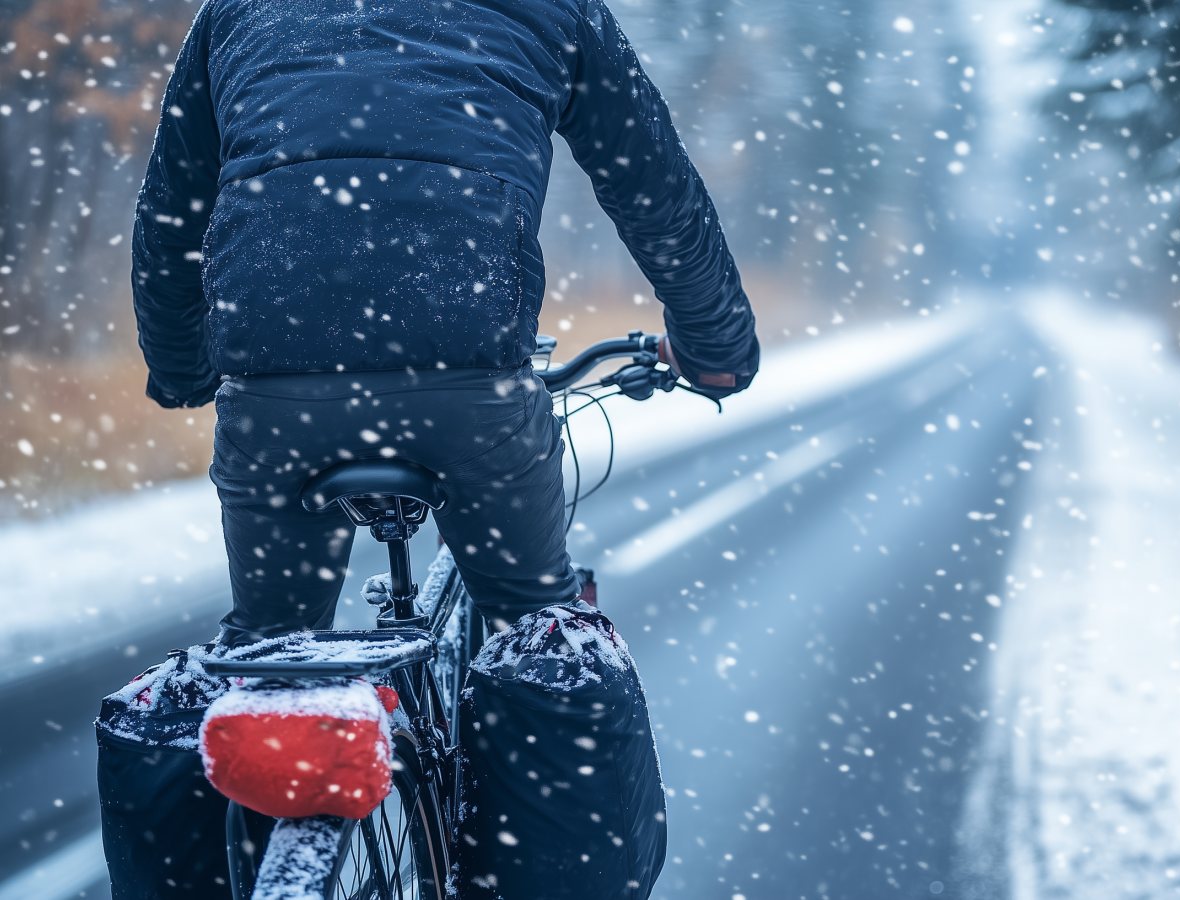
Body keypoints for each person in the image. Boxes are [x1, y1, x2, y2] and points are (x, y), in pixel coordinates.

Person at [97, 0, 758, 897]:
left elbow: (173, 209)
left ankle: (257, 830)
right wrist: (715, 351)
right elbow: (653, 186)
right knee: (538, 638)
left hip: (276, 396)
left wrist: (183, 369)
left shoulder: (241, 9)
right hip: (469, 386)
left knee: (270, 658)